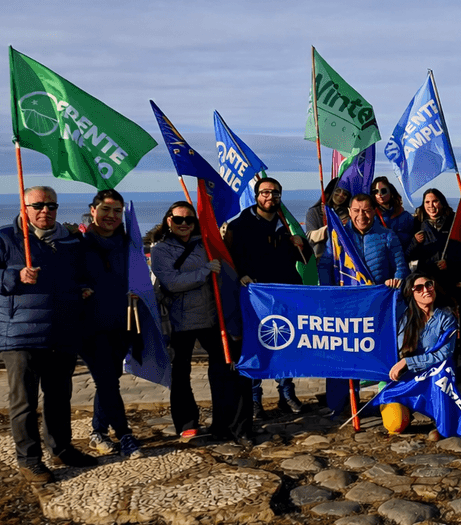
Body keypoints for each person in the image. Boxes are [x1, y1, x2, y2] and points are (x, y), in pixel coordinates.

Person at [0, 186, 97, 482]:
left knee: (60, 397)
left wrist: (82, 288)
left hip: (61, 331)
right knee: (24, 401)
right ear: (24, 208)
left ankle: (61, 449)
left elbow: (79, 274)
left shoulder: (69, 241)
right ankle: (29, 460)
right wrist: (12, 276)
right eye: (38, 205)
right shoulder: (0, 239)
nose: (45, 211)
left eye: (51, 205)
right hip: (19, 334)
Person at [148, 202, 254, 445]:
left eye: (189, 220)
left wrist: (240, 277)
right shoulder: (160, 249)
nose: (184, 224)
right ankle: (186, 422)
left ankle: (223, 424)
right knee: (180, 373)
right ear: (168, 221)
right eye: (178, 219)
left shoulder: (204, 244)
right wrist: (205, 271)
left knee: (223, 371)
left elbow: (225, 269)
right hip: (179, 321)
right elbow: (172, 282)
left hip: (210, 317)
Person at [224, 177, 311, 419]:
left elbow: (306, 258)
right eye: (264, 193)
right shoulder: (239, 225)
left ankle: (286, 393)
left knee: (286, 341)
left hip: (285, 293)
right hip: (255, 297)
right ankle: (254, 398)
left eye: (274, 193)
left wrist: (300, 244)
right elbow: (228, 257)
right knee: (256, 343)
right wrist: (240, 274)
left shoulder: (286, 224)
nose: (269, 197)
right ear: (256, 195)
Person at [77, 189, 143, 459]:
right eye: (105, 209)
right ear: (93, 210)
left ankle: (98, 431)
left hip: (121, 323)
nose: (111, 216)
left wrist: (140, 289)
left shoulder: (129, 245)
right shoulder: (77, 244)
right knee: (107, 380)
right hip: (89, 326)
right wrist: (78, 287)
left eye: (117, 211)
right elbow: (65, 276)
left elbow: (138, 278)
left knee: (109, 379)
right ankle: (125, 434)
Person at [387, 273, 458, 442]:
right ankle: (408, 409)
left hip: (435, 376)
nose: (425, 290)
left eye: (428, 284)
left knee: (443, 371)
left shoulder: (445, 317)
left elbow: (444, 354)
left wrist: (407, 362)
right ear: (411, 294)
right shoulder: (405, 317)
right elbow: (387, 314)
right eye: (418, 288)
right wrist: (392, 290)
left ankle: (441, 421)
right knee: (394, 424)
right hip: (408, 377)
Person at [321, 193, 409, 288]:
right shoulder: (338, 237)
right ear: (349, 211)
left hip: (378, 296)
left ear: (374, 211)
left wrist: (395, 283)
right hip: (347, 296)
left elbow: (400, 267)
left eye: (366, 211)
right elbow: (325, 266)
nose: (361, 216)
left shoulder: (388, 236)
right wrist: (329, 291)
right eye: (356, 211)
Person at [406, 188, 461, 314]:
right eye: (427, 202)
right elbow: (407, 256)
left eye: (435, 201)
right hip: (427, 284)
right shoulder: (417, 223)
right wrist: (414, 242)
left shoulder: (454, 222)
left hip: (450, 284)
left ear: (442, 202)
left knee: (450, 322)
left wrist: (449, 263)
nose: (431, 205)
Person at [305, 177, 352, 285]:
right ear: (331, 190)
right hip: (320, 258)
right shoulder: (314, 212)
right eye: (338, 191)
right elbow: (310, 236)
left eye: (345, 194)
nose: (341, 195)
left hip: (342, 262)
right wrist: (330, 227)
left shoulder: (347, 214)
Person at [371, 176, 418, 251]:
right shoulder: (372, 217)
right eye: (375, 191)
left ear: (391, 192)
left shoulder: (405, 216)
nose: (379, 194)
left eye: (383, 191)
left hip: (404, 258)